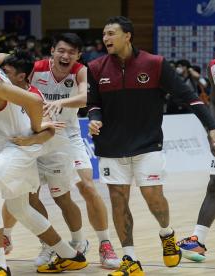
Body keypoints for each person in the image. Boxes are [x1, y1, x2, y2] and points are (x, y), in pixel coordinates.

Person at [87, 16, 215, 276]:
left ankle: (166, 235)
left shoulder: (154, 64)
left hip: (148, 145)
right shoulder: (96, 67)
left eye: (111, 33)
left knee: (153, 199)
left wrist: (211, 126)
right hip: (111, 146)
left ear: (128, 36)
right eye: (104, 35)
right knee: (118, 201)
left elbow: (189, 98)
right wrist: (94, 119)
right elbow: (93, 103)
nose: (106, 39)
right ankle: (130, 259)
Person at [0, 30, 87, 275]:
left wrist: (36, 134)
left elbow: (34, 102)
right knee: (20, 208)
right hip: (15, 142)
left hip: (21, 144)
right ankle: (71, 255)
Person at [30, 32, 120, 269]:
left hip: (68, 135)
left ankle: (104, 243)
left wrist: (59, 103)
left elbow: (84, 97)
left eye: (71, 52)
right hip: (38, 136)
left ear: (78, 55)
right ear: (52, 51)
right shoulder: (35, 68)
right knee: (29, 195)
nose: (66, 55)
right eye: (61, 50)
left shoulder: (80, 70)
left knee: (88, 187)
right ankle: (48, 244)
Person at [176, 59, 215, 262]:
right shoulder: (214, 66)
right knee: (214, 187)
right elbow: (214, 101)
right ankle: (197, 241)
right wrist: (212, 130)